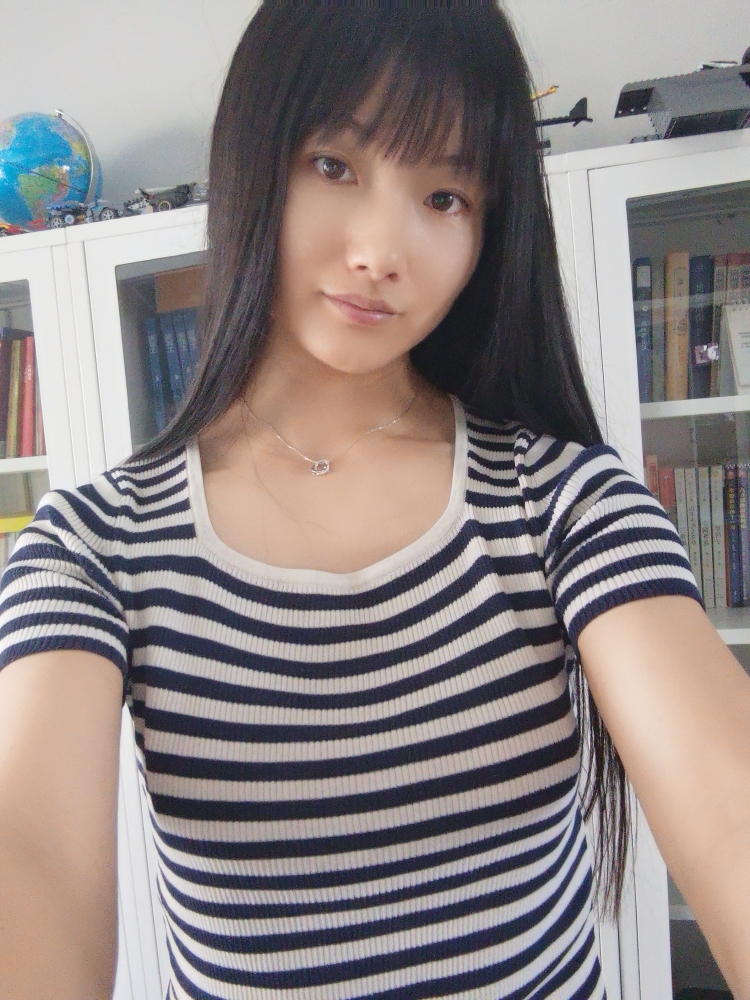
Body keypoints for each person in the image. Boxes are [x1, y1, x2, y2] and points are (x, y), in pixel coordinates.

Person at [1, 3, 749, 999]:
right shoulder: (91, 549)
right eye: (334, 164)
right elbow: (35, 853)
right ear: (251, 163)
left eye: (445, 195)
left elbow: (726, 804)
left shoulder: (567, 506)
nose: (382, 250)